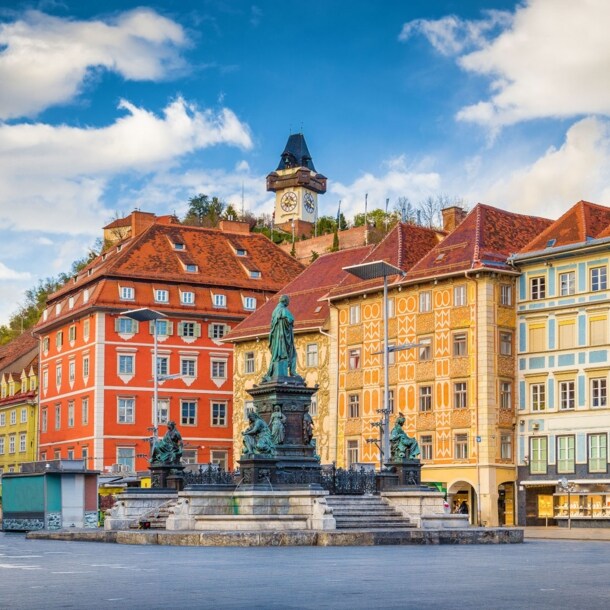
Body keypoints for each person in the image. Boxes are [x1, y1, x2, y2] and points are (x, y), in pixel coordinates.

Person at [262, 295, 297, 381]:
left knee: (278, 355)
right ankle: (292, 372)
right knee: (293, 354)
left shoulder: (275, 311)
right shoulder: (283, 310)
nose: (289, 302)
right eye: (288, 301)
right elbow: (290, 319)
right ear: (285, 301)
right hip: (283, 338)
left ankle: (272, 372)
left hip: (277, 339)